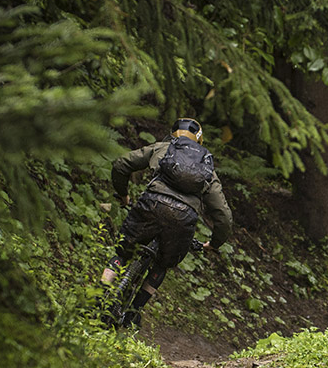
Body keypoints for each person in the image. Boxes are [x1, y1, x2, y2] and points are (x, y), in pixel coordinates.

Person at [100, 117, 233, 328]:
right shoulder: (207, 169)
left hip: (151, 205)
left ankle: (98, 295)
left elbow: (121, 164)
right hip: (183, 219)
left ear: (173, 134)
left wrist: (123, 194)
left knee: (123, 251)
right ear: (199, 139)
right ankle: (134, 312)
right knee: (162, 264)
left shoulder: (162, 148)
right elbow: (223, 215)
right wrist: (214, 243)